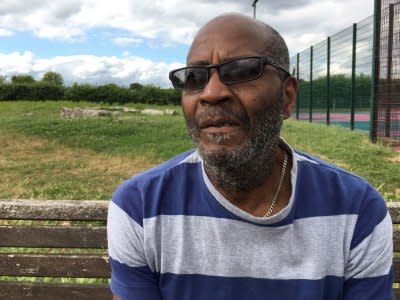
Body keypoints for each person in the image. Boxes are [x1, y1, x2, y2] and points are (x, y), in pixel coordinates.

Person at [107, 13, 394, 300]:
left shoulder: (356, 209)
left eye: (242, 71)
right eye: (194, 77)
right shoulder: (140, 208)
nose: (212, 93)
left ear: (287, 97)